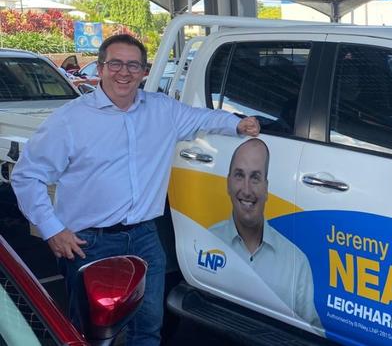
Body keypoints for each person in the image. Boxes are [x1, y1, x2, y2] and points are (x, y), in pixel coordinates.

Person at [11, 34, 260, 346]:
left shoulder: (162, 111)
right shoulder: (70, 119)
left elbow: (204, 119)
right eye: (115, 63)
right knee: (90, 335)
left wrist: (238, 124)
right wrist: (52, 230)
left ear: (144, 71)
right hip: (88, 242)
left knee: (147, 329)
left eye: (133, 65)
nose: (124, 72)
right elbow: (27, 176)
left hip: (144, 238)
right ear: (100, 68)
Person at [208, 138, 321, 329]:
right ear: (228, 183)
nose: (246, 190)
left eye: (255, 178)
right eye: (239, 175)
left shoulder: (297, 263)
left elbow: (312, 331)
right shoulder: (207, 240)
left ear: (267, 188)